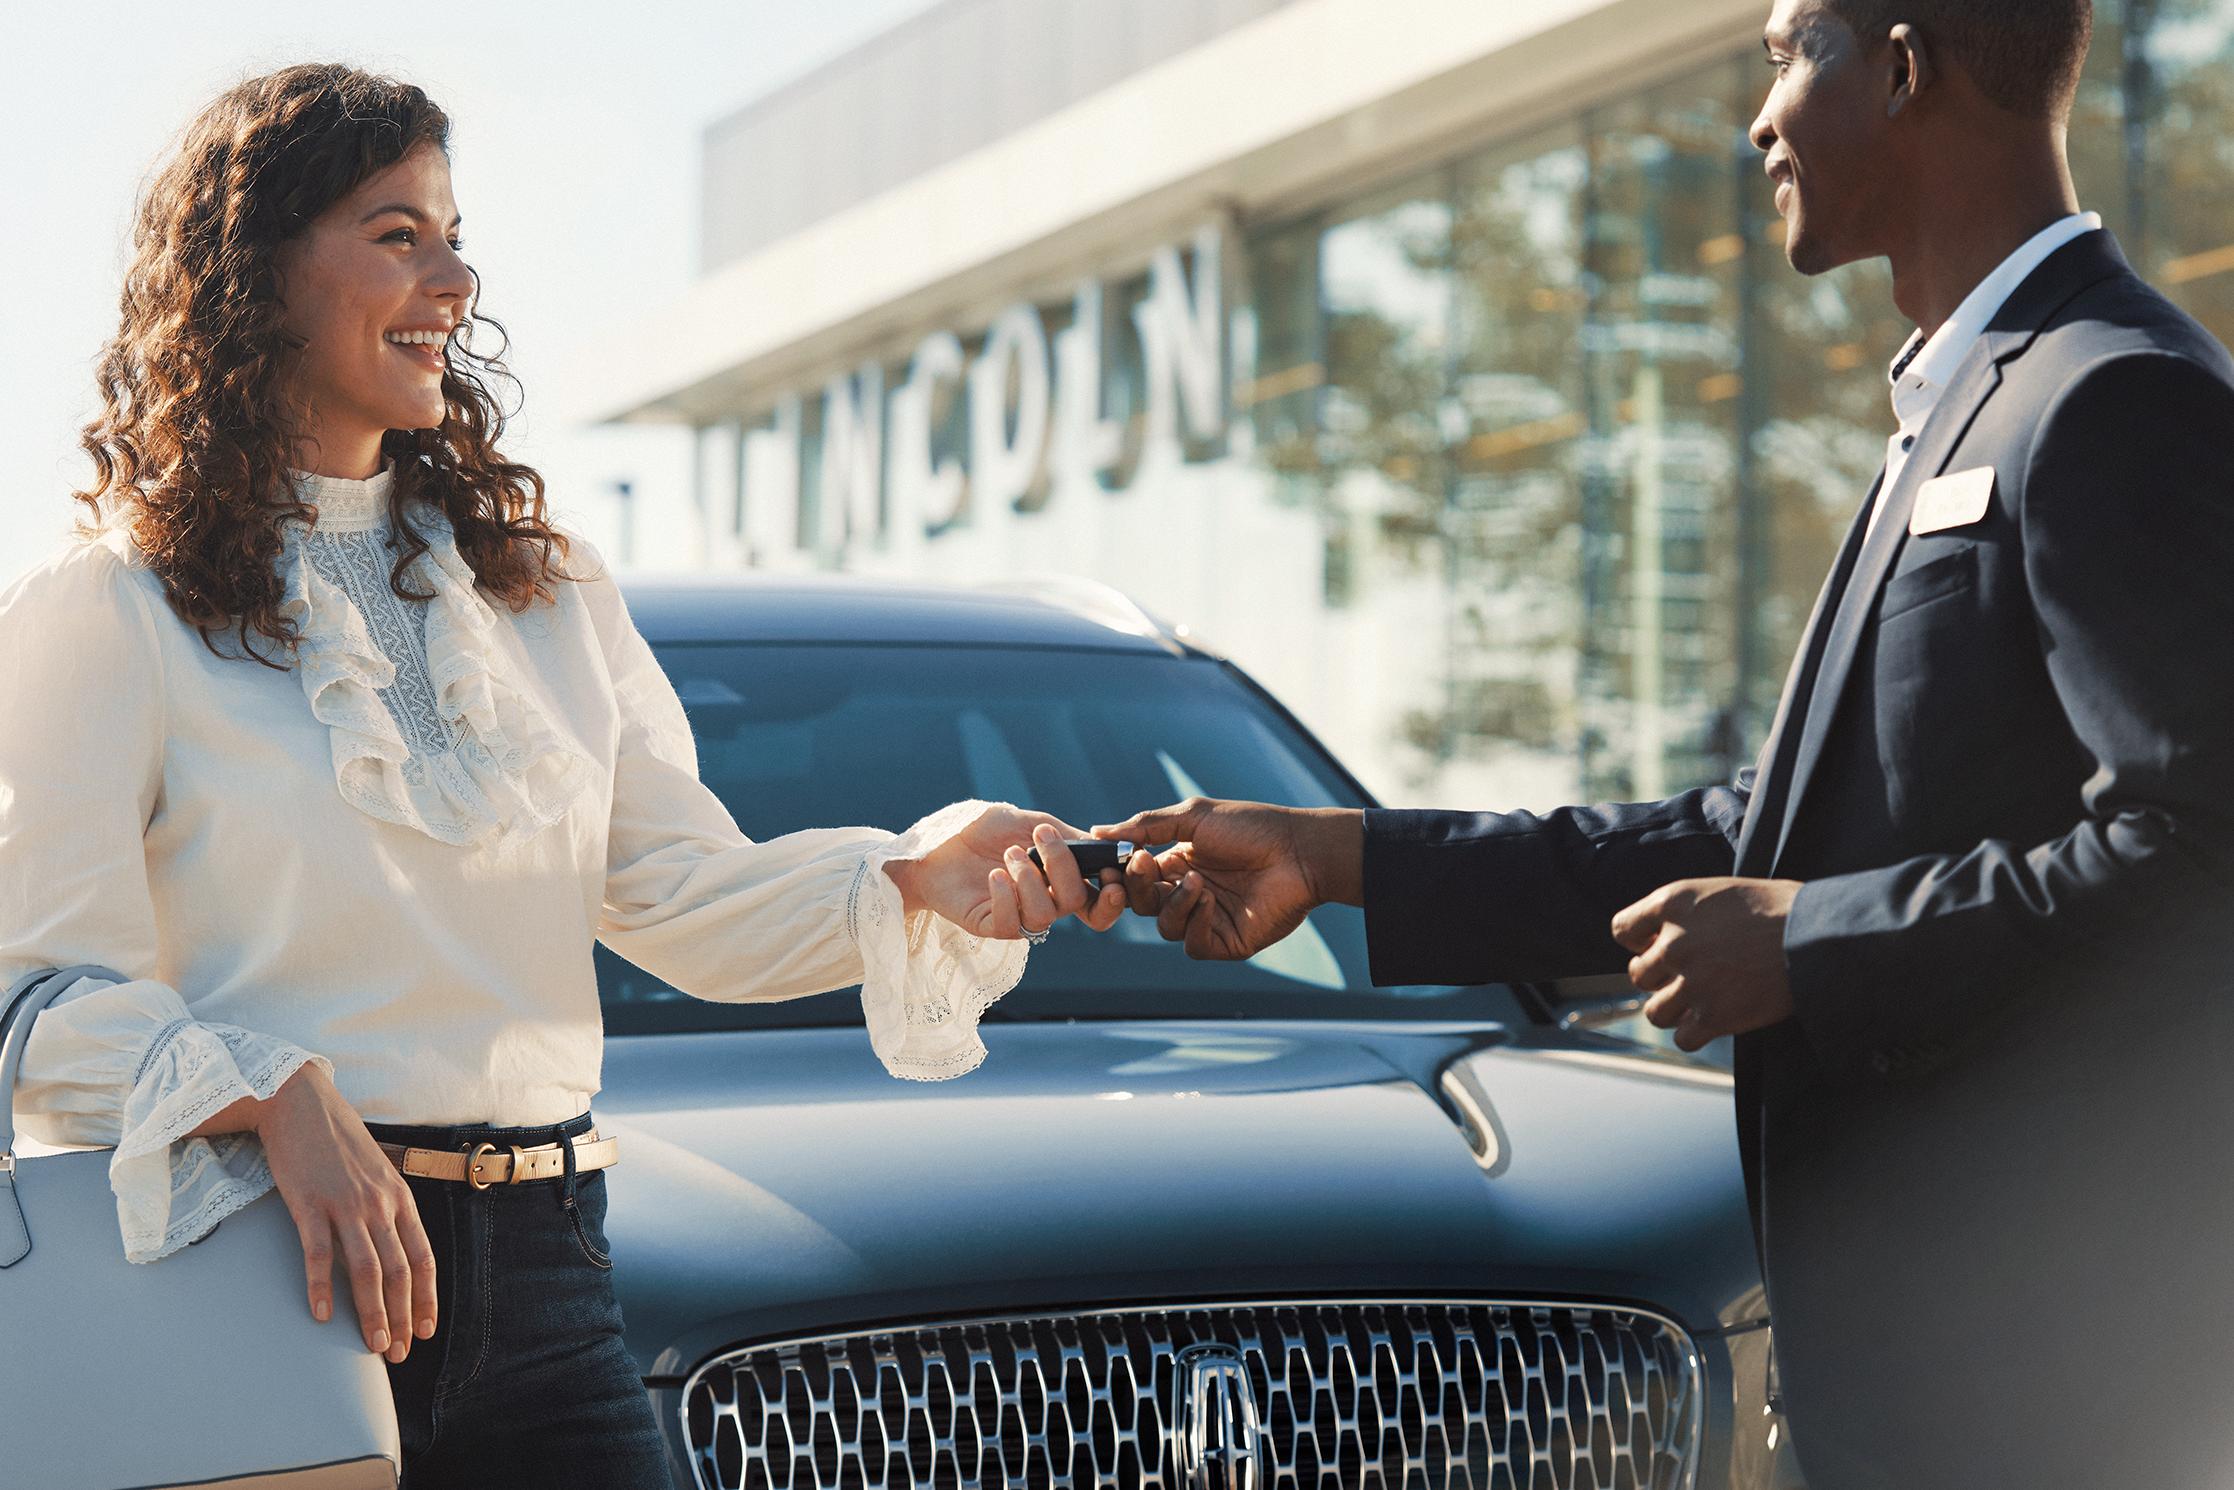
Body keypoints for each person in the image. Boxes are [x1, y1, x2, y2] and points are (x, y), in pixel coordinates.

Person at [1097, 1, 2234, 1484]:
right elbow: (1763, 832)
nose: (1759, 119)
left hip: (2045, 1393)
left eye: (1785, 55)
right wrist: (1343, 860)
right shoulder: (1963, 409)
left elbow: (2198, 857)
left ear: (1898, 68)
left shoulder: (2106, 395)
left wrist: (1815, 944)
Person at [0, 63, 1126, 1489]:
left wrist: (913, 870)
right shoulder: (112, 607)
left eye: (456, 232)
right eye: (398, 232)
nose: (456, 279)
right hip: (256, 1278)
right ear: (254, 273)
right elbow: (35, 1004)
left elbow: (674, 892)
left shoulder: (541, 590)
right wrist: (274, 1091)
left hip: (549, 1277)